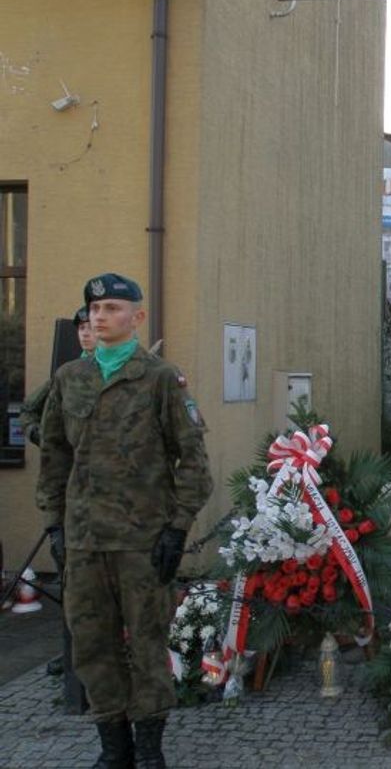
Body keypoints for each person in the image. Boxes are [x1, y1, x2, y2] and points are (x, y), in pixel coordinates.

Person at [36, 273, 213, 769]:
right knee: (92, 648)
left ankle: (151, 749)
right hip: (85, 540)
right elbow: (53, 456)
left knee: (148, 645)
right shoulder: (71, 378)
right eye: (94, 308)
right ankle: (114, 749)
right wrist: (54, 523)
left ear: (137, 317)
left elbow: (194, 460)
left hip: (142, 541)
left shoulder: (160, 378)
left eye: (112, 308)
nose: (99, 315)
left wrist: (178, 528)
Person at [19, 305, 97, 447]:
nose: (85, 334)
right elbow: (28, 409)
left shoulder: (119, 370)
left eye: (90, 327)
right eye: (81, 328)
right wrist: (42, 438)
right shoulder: (68, 372)